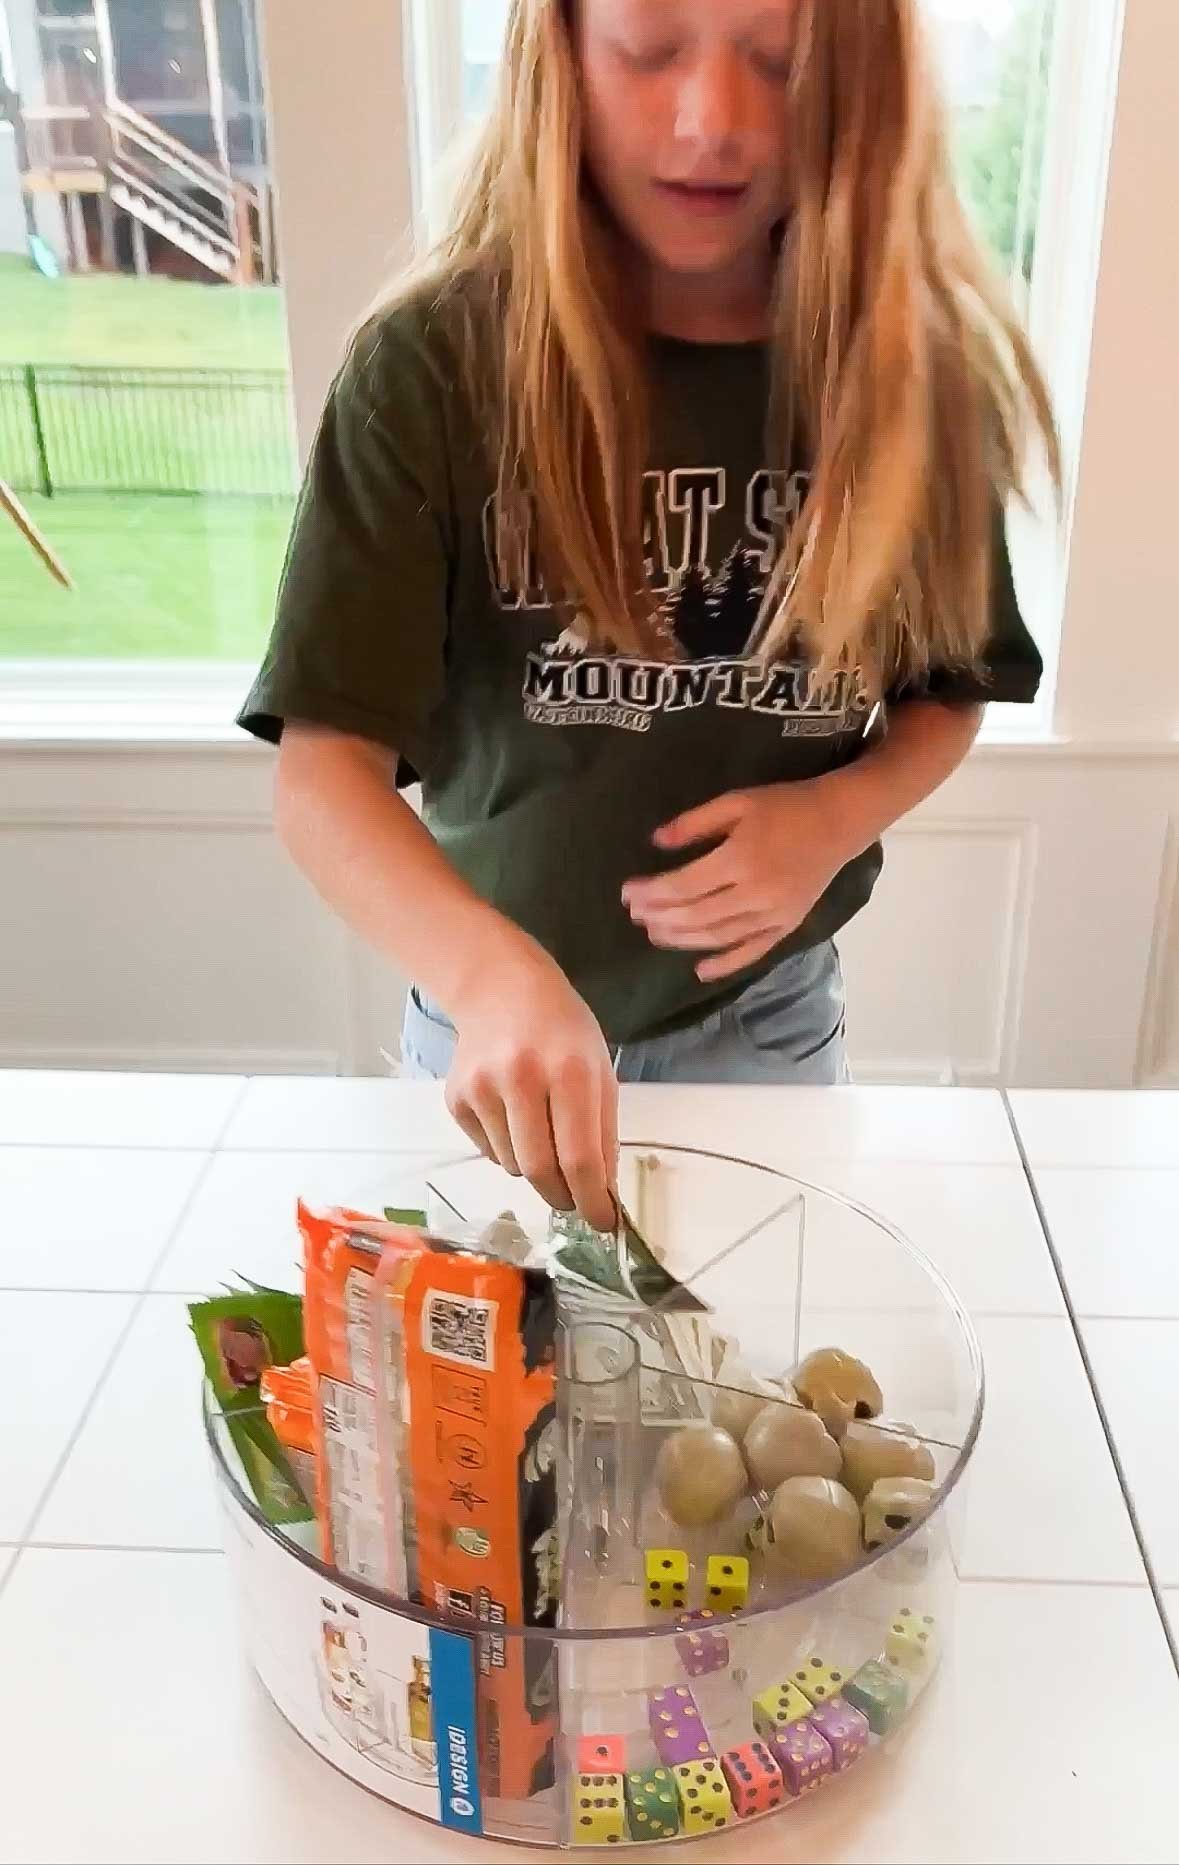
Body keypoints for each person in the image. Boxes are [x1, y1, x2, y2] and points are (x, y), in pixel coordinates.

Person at [239, 0, 1058, 1233]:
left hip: (765, 1026)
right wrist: (489, 972)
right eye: (649, 48)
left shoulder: (910, 380)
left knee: (740, 1399)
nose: (711, 120)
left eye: (779, 63)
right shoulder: (433, 367)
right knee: (492, 1398)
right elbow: (323, 777)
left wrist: (831, 817)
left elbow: (952, 682)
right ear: (558, 48)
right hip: (489, 1040)